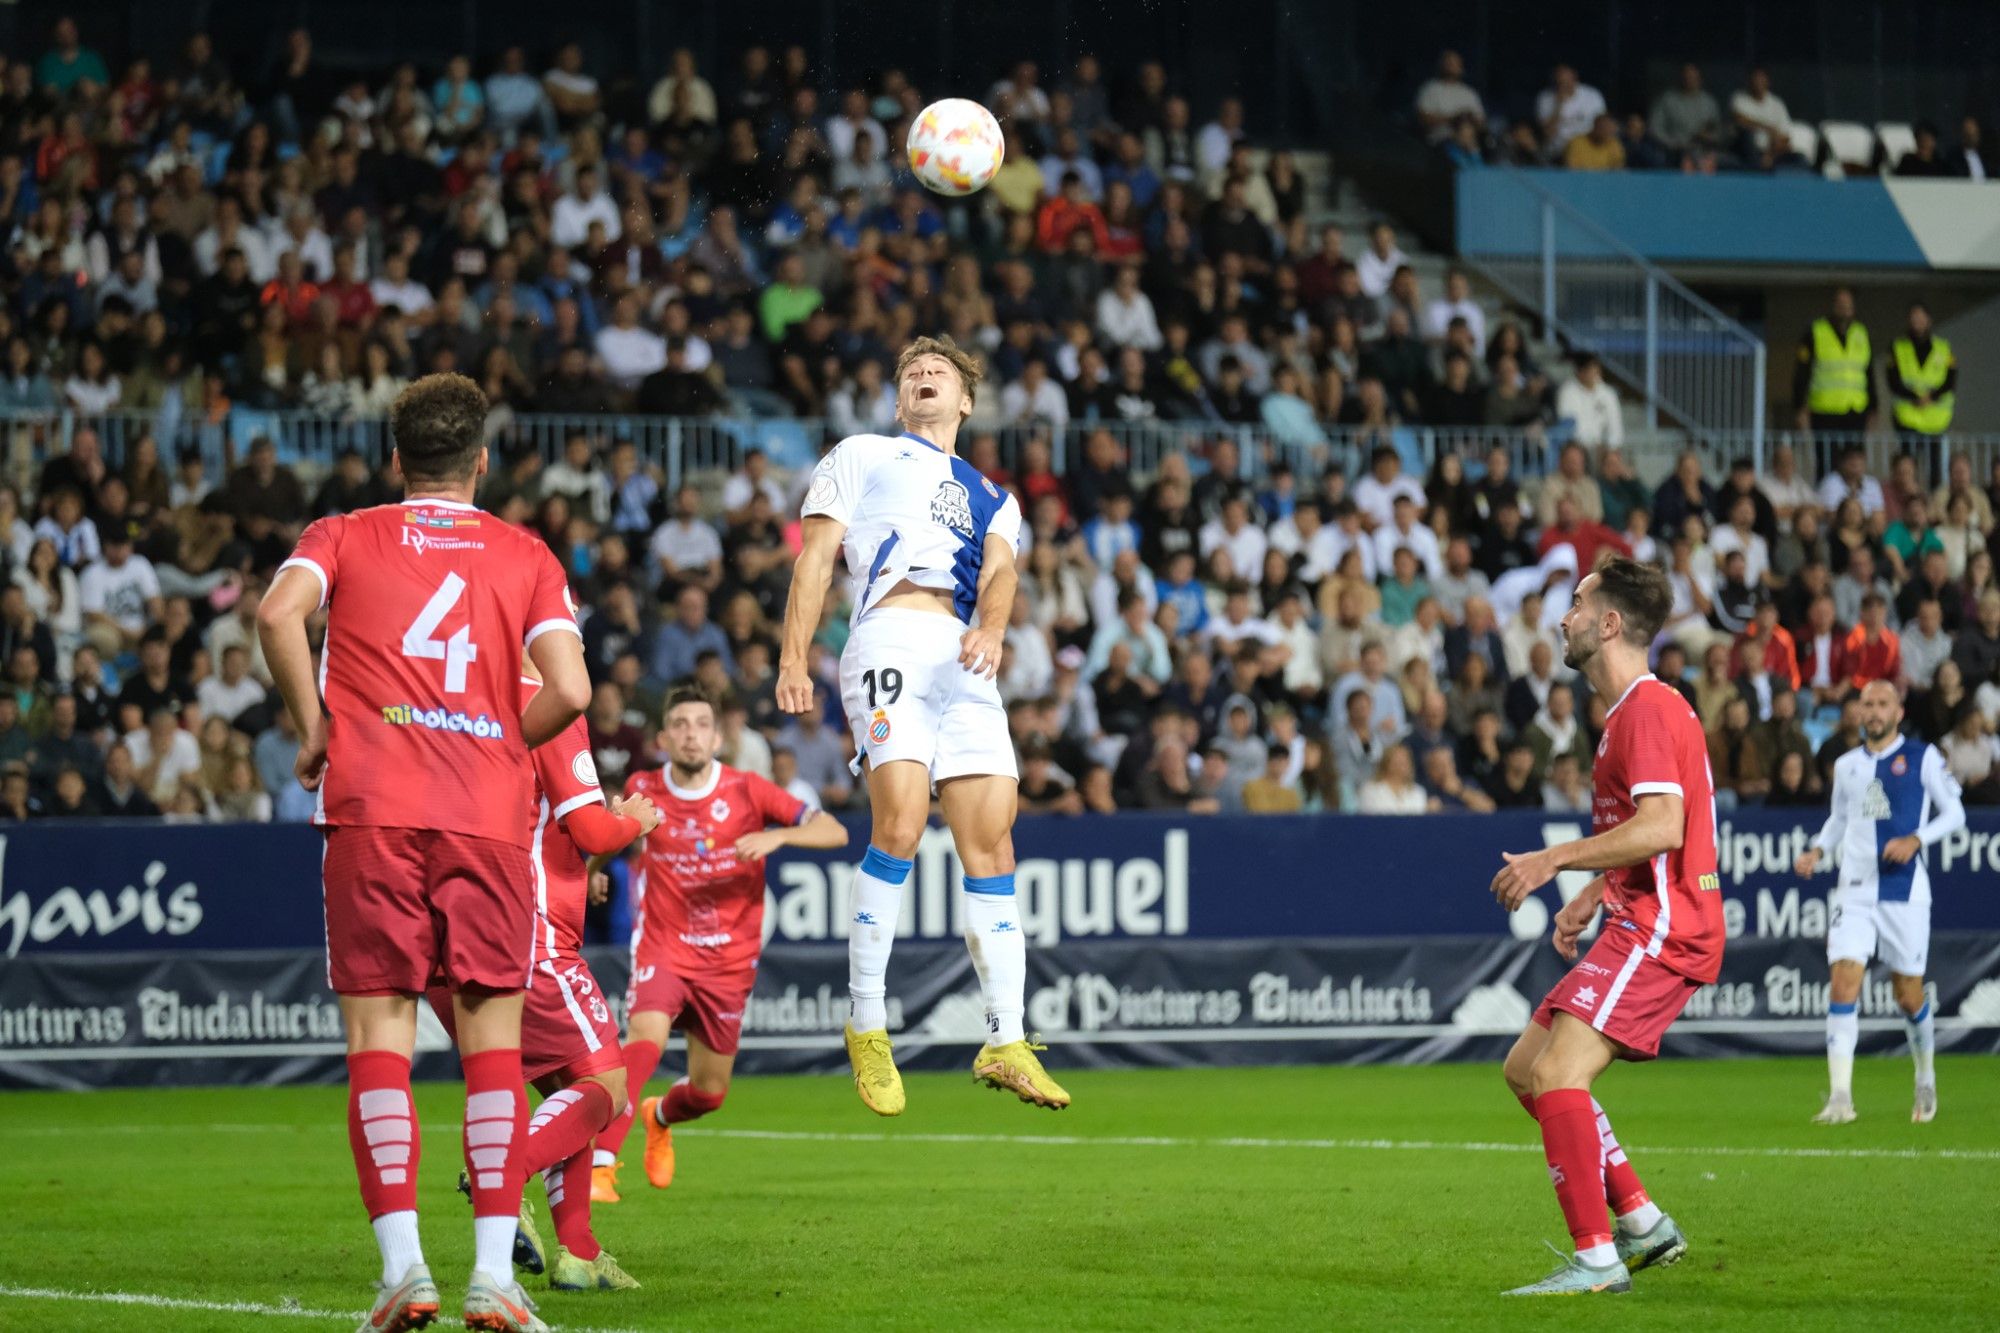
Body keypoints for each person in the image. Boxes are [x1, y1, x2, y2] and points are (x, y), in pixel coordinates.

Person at [258, 373, 592, 1333]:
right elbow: (568, 690)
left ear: (396, 459)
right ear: (483, 461)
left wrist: (315, 727)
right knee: (493, 1044)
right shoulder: (526, 553)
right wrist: (497, 741)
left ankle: (406, 1270)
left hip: (372, 808)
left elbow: (279, 615)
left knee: (380, 1043)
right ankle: (494, 1274)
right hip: (486, 817)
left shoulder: (345, 533)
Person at [777, 335, 1071, 1115]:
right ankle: (867, 1022)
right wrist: (793, 658)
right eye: (913, 371)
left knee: (993, 840)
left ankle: (1006, 1038)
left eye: (939, 371)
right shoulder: (862, 453)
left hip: (964, 655)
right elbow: (815, 558)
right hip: (889, 635)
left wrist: (995, 630)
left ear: (966, 401)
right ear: (900, 396)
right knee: (901, 823)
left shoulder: (994, 496)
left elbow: (1004, 572)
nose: (925, 375)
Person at [1491, 558, 1720, 1296]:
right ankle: (1643, 1220)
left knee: (1559, 1073)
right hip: (1637, 912)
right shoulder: (1633, 712)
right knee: (1526, 1069)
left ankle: (1596, 1260)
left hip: (1664, 925)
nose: (1565, 616)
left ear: (1610, 622)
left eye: (1578, 603)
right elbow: (1646, 831)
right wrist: (1594, 888)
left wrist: (1555, 858)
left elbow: (1662, 825)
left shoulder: (1646, 709)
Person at [424, 662, 662, 1293]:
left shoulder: (457, 702)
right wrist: (636, 819)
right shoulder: (551, 703)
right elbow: (590, 826)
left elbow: (528, 824)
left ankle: (579, 1253)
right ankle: (500, 1172)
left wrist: (579, 871)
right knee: (608, 1086)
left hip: (444, 935)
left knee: (570, 1089)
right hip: (525, 938)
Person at [589, 685, 847, 1197]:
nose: (691, 734)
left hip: (728, 961)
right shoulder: (645, 786)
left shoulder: (750, 790)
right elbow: (613, 834)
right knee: (644, 1043)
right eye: (680, 724)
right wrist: (595, 870)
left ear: (718, 735)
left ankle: (658, 1116)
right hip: (664, 946)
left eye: (701, 724)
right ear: (663, 738)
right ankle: (600, 1164)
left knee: (709, 1093)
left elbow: (836, 832)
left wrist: (780, 835)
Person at [1794, 680, 1964, 1126]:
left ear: (1898, 710)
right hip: (1854, 889)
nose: (1872, 711)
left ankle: (1925, 1075)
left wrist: (1915, 838)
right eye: (1866, 703)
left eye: (1881, 704)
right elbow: (1838, 820)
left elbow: (1956, 813)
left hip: (1905, 891)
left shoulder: (1923, 757)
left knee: (1907, 995)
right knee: (1843, 981)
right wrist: (1817, 849)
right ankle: (1840, 1098)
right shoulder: (1847, 765)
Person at [1794, 288, 1874, 455]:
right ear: (1833, 305)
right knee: (1827, 461)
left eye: (1848, 305)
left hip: (1855, 408)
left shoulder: (1861, 332)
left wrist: (1874, 407)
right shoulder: (1816, 331)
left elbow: (1868, 371)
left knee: (1853, 460)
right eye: (1841, 304)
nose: (1845, 308)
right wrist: (1800, 406)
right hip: (1824, 410)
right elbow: (1802, 372)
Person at [1885, 302, 1954, 471]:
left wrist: (1931, 397)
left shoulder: (1943, 348)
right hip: (1907, 418)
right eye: (1914, 318)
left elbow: (1950, 380)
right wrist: (1915, 397)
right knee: (1908, 466)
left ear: (1929, 320)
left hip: (1936, 420)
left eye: (1921, 317)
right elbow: (1893, 381)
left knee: (1936, 468)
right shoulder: (1898, 347)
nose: (1918, 322)